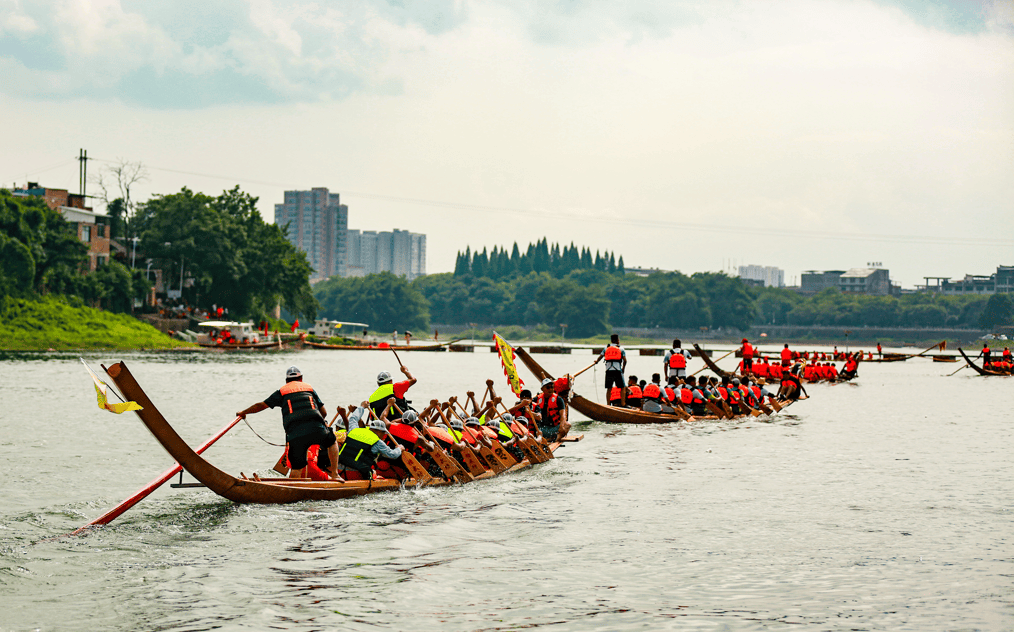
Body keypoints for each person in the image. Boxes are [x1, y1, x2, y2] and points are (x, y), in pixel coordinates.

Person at [236, 366, 343, 481]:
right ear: (301, 378)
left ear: (286, 381)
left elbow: (260, 405)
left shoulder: (281, 392)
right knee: (332, 441)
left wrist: (243, 412)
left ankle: (293, 486)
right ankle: (335, 475)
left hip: (295, 434)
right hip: (316, 428)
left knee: (297, 467)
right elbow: (324, 413)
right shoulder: (310, 389)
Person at [338, 417, 404, 480]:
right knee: (375, 473)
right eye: (383, 433)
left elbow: (353, 420)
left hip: (339, 470)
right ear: (379, 431)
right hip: (355, 474)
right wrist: (399, 449)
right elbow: (393, 455)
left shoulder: (355, 433)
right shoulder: (377, 441)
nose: (383, 435)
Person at [596, 334, 627, 406]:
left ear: (611, 340)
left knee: (609, 388)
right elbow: (625, 360)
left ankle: (608, 404)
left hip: (608, 370)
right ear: (617, 340)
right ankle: (623, 403)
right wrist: (623, 368)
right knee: (622, 387)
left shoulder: (606, 348)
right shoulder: (621, 348)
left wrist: (596, 361)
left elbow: (600, 357)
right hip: (617, 370)